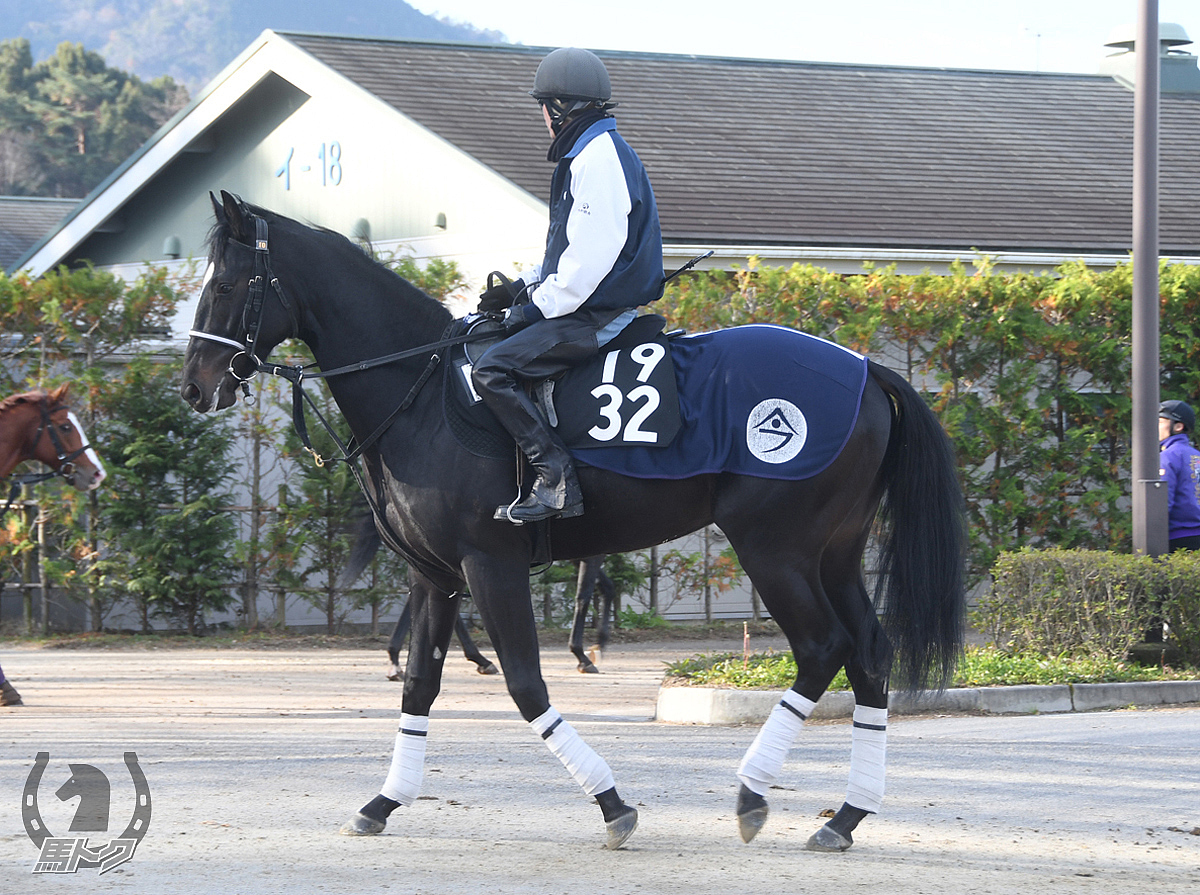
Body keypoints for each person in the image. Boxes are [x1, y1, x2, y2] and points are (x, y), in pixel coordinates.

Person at [472, 47, 664, 524]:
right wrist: (521, 284)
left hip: (596, 315)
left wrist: (527, 311)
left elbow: (582, 274)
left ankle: (556, 481)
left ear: (555, 109)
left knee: (491, 370)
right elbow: (566, 252)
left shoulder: (598, 161)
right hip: (587, 303)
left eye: (542, 107)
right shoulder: (588, 155)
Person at [1158, 399, 1200, 551]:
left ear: (1178, 426)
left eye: (1161, 421)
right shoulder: (1196, 455)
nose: (1156, 426)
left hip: (1178, 539)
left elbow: (1162, 501)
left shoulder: (1168, 456)